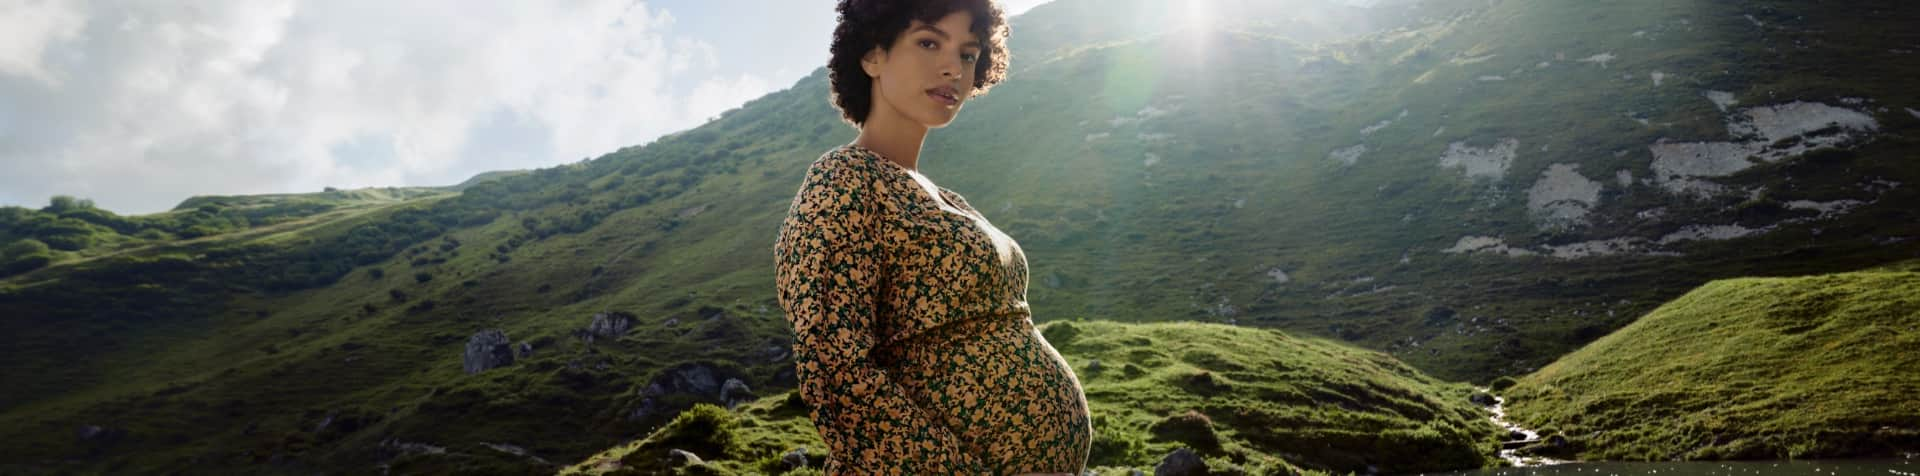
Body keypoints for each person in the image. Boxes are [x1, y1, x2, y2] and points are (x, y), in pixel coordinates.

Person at [772, 0, 1092, 474]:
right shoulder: (843, 181)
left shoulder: (947, 198)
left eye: (968, 54)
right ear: (872, 56)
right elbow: (836, 371)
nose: (953, 68)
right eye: (928, 42)